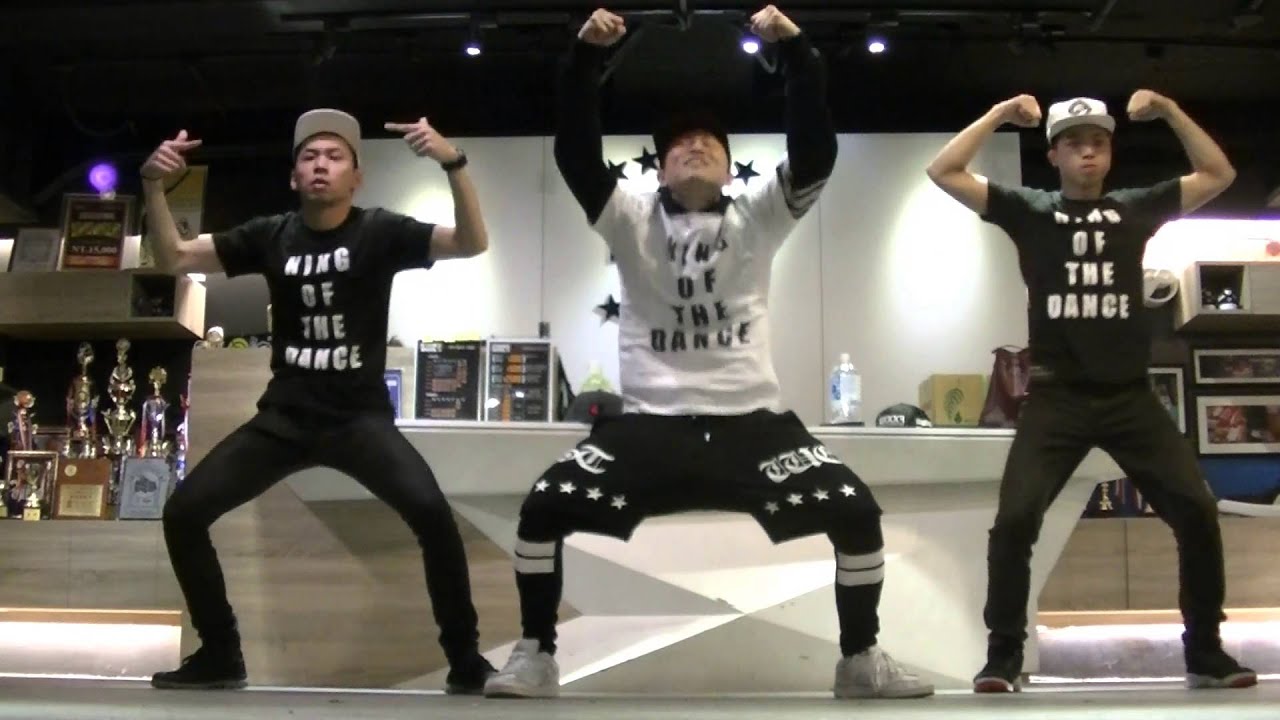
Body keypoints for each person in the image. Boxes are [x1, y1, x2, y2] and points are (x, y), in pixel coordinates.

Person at [483, 5, 933, 700]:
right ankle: (537, 655)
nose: (694, 146)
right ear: (660, 169)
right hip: (649, 428)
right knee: (544, 506)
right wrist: (583, 60)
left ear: (728, 168)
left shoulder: (758, 215)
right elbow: (575, 153)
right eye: (678, 144)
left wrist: (798, 55)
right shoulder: (630, 215)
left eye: (709, 143)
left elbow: (815, 154)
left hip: (752, 425)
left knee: (855, 511)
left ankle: (859, 659)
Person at [140, 109, 496, 693]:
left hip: (359, 420)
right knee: (183, 513)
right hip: (284, 419)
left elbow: (471, 242)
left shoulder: (379, 231)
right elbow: (173, 259)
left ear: (357, 177)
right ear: (293, 176)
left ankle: (466, 661)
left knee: (433, 517)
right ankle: (221, 654)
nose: (321, 165)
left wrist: (453, 163)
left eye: (334, 157)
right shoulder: (270, 235)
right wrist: (154, 186)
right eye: (309, 157)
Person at [926, 91, 1255, 692]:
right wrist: (999, 114)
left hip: (1130, 398)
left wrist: (1171, 111)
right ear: (1053, 155)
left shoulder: (1134, 208)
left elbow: (1218, 174)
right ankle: (1003, 656)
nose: (1087, 152)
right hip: (1057, 399)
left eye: (1098, 142)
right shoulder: (1031, 210)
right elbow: (943, 170)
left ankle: (1205, 650)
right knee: (1015, 521)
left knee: (1197, 511)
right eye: (1074, 143)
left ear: (1110, 154)